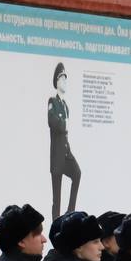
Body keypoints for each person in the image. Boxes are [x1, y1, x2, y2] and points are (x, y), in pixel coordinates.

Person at [49, 63, 81, 221]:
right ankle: (56, 223)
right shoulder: (52, 102)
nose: (64, 82)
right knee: (57, 196)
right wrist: (64, 123)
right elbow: (52, 122)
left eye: (65, 79)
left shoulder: (66, 106)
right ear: (56, 81)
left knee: (77, 173)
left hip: (66, 153)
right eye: (62, 79)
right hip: (57, 155)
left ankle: (70, 212)